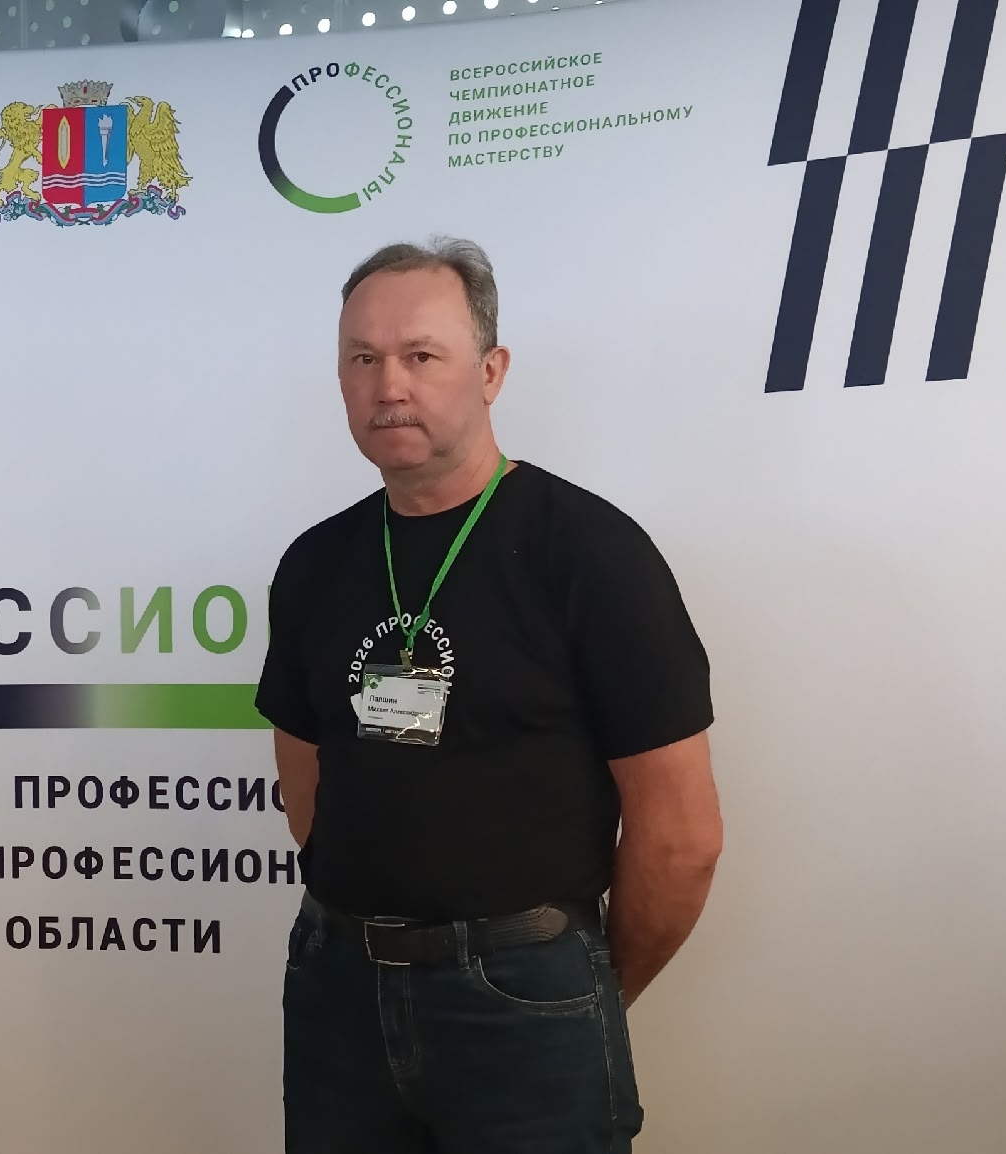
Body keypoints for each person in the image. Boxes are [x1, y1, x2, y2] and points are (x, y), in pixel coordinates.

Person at [257, 239, 722, 1153]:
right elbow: (307, 789)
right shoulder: (314, 564)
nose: (390, 385)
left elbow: (682, 836)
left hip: (525, 996)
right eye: (363, 358)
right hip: (336, 990)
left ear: (491, 371)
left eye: (422, 355)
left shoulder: (589, 553)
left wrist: (577, 986)